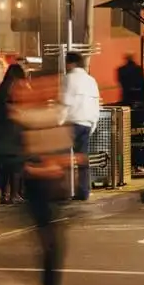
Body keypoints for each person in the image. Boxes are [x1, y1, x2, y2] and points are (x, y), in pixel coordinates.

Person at [12, 73, 81, 285]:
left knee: (54, 245)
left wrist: (65, 163)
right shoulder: (28, 119)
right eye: (48, 86)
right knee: (52, 245)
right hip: (41, 190)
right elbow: (27, 163)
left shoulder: (44, 115)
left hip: (52, 189)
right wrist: (50, 168)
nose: (54, 90)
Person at [63, 52, 101, 201]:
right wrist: (93, 124)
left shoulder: (68, 79)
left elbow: (65, 103)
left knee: (65, 159)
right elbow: (96, 104)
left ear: (70, 63)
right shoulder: (91, 81)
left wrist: (59, 122)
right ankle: (83, 191)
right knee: (82, 159)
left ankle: (65, 190)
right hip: (86, 123)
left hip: (70, 123)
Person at [0, 64, 27, 204]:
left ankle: (5, 194)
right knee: (16, 164)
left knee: (4, 165)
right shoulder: (16, 88)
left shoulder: (2, 88)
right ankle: (14, 194)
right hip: (13, 131)